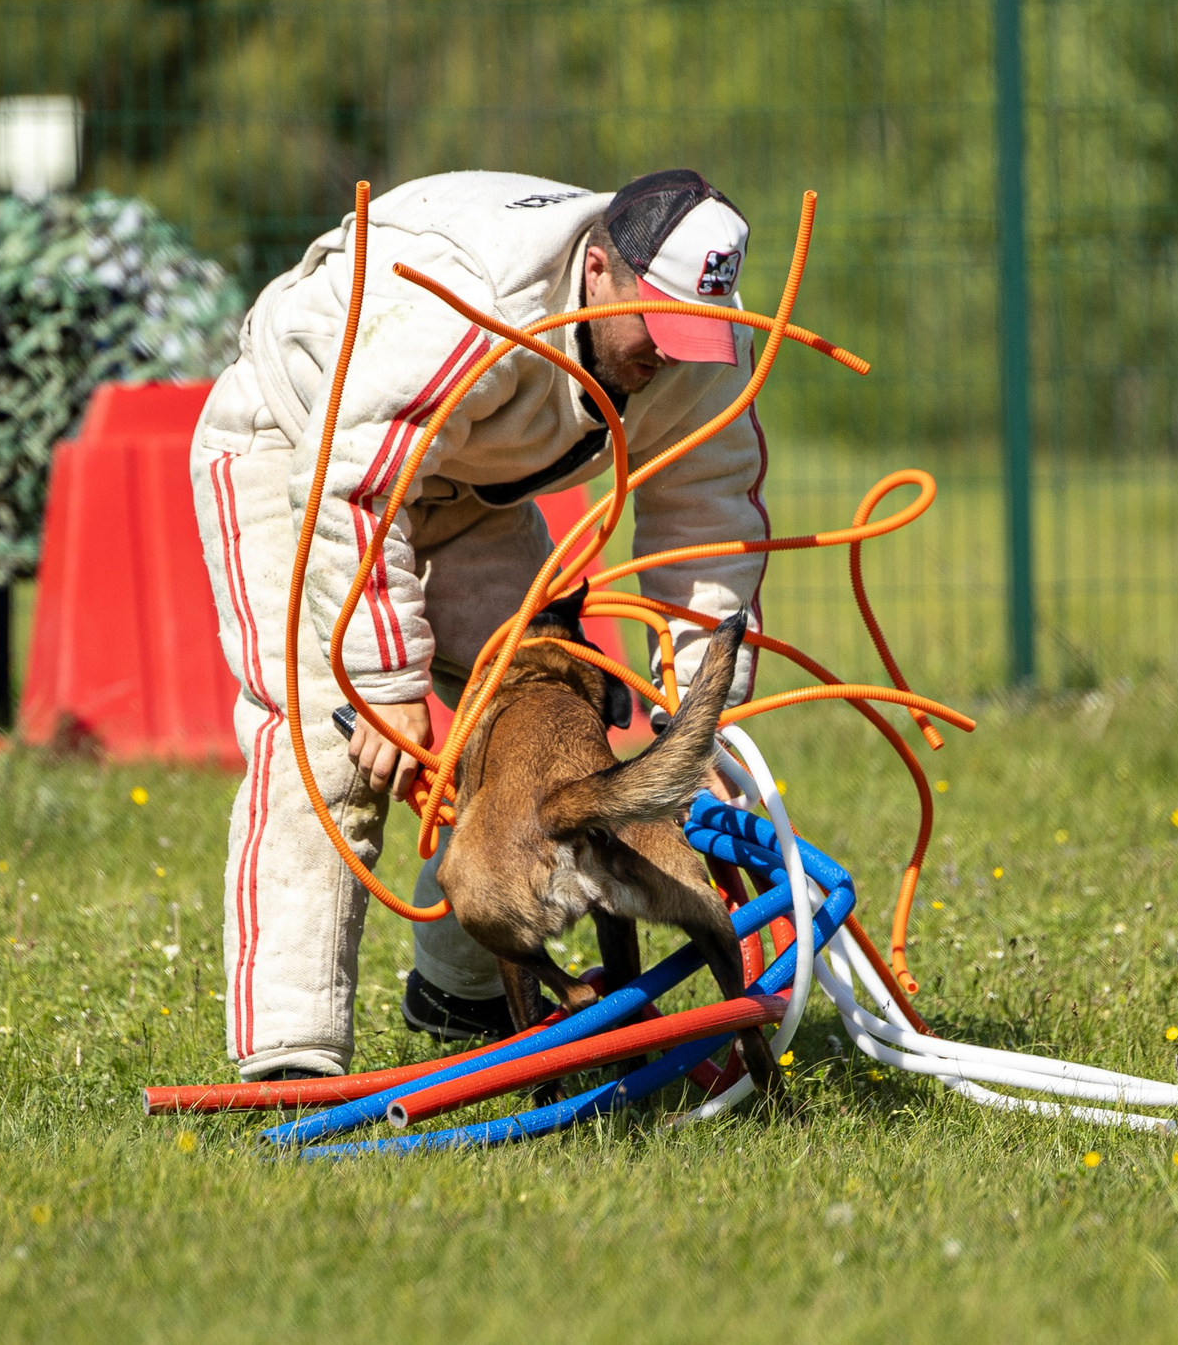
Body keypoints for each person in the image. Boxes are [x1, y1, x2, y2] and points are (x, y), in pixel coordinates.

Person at [190, 168, 769, 1081]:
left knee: (540, 716)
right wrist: (385, 683)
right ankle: (289, 1058)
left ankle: (465, 987)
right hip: (300, 441)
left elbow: (710, 512)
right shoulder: (476, 299)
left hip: (461, 478)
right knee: (330, 744)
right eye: (655, 327)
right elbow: (355, 474)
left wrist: (702, 723)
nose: (670, 355)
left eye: (694, 336)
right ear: (597, 270)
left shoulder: (699, 340)